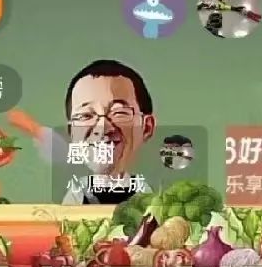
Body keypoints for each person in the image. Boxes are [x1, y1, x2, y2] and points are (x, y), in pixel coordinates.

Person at [11, 60, 155, 206]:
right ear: (71, 132)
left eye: (119, 112)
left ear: (147, 127)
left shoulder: (142, 192)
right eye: (86, 115)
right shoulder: (79, 191)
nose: (102, 128)